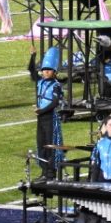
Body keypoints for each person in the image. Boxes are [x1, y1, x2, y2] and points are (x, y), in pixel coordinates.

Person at [28, 46, 64, 177]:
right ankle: (44, 170)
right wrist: (33, 56)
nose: (45, 72)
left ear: (54, 72)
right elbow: (31, 71)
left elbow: (54, 103)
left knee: (51, 144)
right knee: (41, 144)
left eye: (49, 70)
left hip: (50, 117)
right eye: (44, 70)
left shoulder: (56, 85)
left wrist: (41, 110)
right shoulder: (40, 82)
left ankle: (51, 170)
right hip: (41, 117)